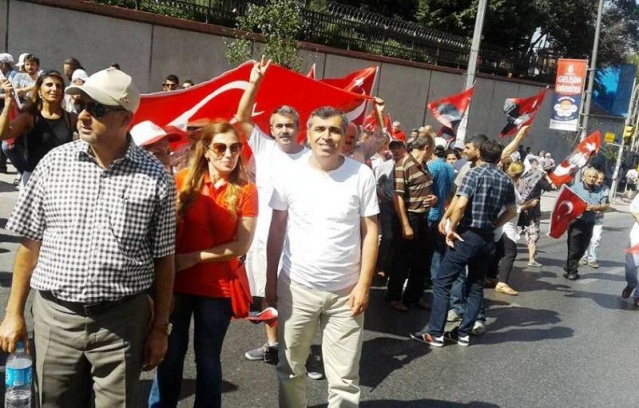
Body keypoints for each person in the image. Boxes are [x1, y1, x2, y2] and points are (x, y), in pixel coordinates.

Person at [0, 67, 176, 407]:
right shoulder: (53, 164)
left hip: (122, 323)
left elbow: (164, 259)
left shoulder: (156, 178)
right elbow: (29, 244)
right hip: (55, 317)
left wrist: (159, 329)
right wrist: (13, 313)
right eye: (80, 103)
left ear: (125, 117)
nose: (82, 114)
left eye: (96, 108)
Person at [265, 106, 379, 407]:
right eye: (320, 129)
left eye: (334, 130)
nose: (326, 136)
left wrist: (364, 285)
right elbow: (276, 230)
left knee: (344, 378)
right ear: (309, 133)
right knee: (290, 368)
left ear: (344, 137)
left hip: (347, 294)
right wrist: (269, 283)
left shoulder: (362, 175)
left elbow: (371, 232)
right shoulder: (289, 174)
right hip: (297, 287)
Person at [149, 120, 258, 408]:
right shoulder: (183, 179)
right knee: (170, 351)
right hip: (178, 282)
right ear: (206, 151)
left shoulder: (246, 190)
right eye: (220, 147)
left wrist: (192, 258)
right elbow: (166, 230)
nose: (229, 154)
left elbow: (241, 246)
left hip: (218, 287)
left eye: (235, 147)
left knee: (208, 358)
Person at [235, 57, 310, 366]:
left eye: (289, 125)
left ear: (299, 128)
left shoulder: (311, 157)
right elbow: (241, 117)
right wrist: (255, 83)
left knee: (296, 298)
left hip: (298, 239)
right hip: (263, 236)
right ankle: (272, 346)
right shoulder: (264, 147)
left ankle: (299, 353)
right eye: (278, 125)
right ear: (271, 129)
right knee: (267, 295)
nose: (283, 130)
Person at [411, 140, 517, 347]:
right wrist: (495, 223)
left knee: (442, 282)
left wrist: (451, 228)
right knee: (476, 285)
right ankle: (464, 333)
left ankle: (436, 333)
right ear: (497, 158)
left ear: (480, 153)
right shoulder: (505, 179)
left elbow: (460, 204)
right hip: (487, 238)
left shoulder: (474, 174)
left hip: (467, 235)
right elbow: (512, 211)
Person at [386, 133, 437, 311]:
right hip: (408, 217)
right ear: (426, 147)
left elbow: (423, 188)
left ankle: (413, 297)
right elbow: (397, 196)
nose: (432, 153)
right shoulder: (403, 165)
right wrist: (405, 225)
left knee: (422, 260)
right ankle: (393, 297)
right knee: (402, 260)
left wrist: (433, 199)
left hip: (423, 217)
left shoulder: (424, 166)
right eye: (432, 149)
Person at [0, 70, 77, 185]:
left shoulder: (71, 118)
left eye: (59, 86)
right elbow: (3, 134)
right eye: (49, 85)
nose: (55, 89)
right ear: (39, 91)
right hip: (34, 178)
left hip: (63, 179)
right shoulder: (29, 117)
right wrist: (8, 102)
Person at [564, 167, 608, 280]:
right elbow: (567, 203)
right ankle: (572, 271)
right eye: (590, 176)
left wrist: (596, 207)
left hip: (590, 222)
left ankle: (569, 266)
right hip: (576, 222)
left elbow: (605, 205)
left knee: (583, 248)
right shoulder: (576, 188)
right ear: (584, 176)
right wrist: (580, 208)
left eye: (594, 177)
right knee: (574, 248)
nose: (592, 179)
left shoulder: (600, 190)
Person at [580, 170, 610, 268]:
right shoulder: (588, 188)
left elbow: (607, 203)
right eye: (598, 178)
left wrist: (602, 207)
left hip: (598, 219)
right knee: (585, 238)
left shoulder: (605, 189)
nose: (599, 180)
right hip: (587, 217)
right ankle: (583, 257)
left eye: (601, 179)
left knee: (596, 239)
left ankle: (592, 259)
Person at [622, 192, 639, 306]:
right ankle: (632, 284)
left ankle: (638, 295)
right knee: (631, 266)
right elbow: (634, 209)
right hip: (637, 238)